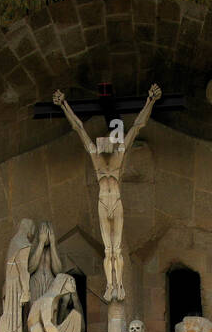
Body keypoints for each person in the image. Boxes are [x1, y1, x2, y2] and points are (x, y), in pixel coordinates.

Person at [53, 85, 161, 301]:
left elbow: (137, 127)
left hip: (115, 203)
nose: (103, 144)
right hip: (103, 203)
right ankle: (110, 286)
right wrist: (64, 104)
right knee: (108, 251)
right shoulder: (95, 158)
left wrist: (150, 101)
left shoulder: (119, 156)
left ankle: (119, 285)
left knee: (117, 249)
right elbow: (79, 128)